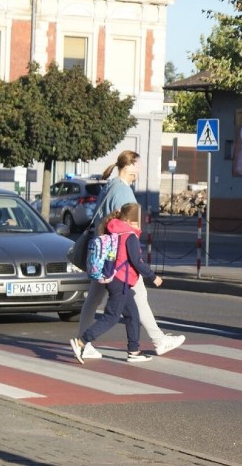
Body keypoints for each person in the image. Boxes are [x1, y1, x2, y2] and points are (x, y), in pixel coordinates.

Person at [76, 150, 185, 359]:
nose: (140, 167)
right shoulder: (123, 191)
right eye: (138, 163)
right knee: (138, 297)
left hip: (104, 255)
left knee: (94, 299)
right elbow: (124, 226)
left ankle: (83, 343)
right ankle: (158, 340)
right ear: (129, 166)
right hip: (120, 259)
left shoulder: (110, 185)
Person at [71, 203, 161, 363]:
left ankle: (134, 351)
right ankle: (81, 341)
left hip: (116, 279)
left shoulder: (114, 230)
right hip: (121, 281)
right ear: (133, 220)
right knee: (111, 317)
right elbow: (137, 262)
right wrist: (153, 276)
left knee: (132, 314)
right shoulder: (129, 236)